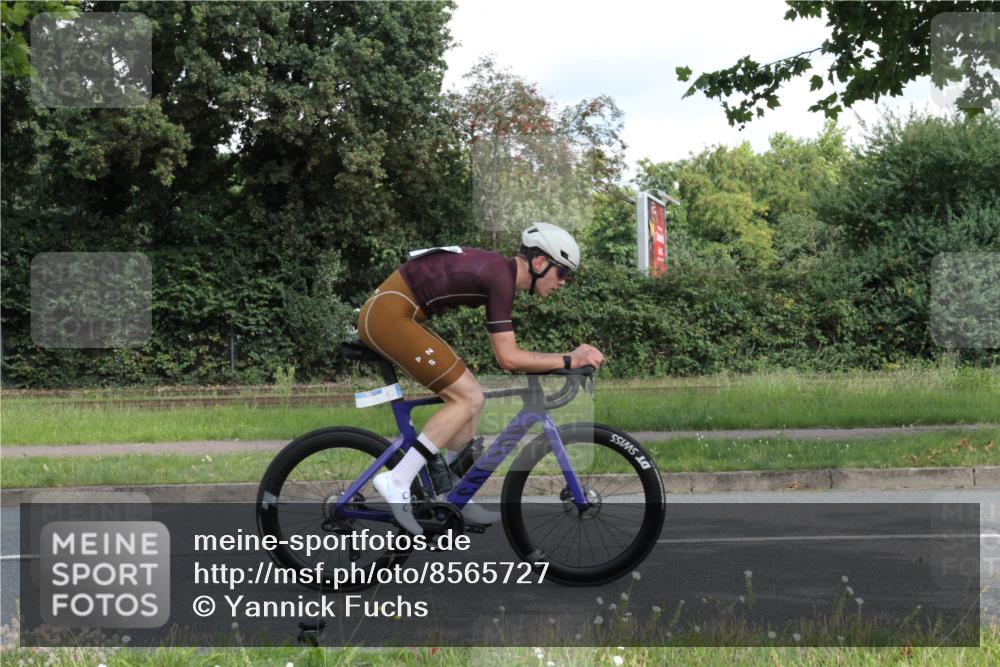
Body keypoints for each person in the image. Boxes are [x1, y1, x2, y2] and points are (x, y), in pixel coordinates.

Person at [357, 222, 605, 534]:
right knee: (468, 397)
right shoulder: (500, 277)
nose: (564, 282)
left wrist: (566, 359)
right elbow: (508, 358)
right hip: (387, 316)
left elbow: (507, 355)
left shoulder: (500, 273)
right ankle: (398, 479)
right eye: (563, 273)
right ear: (541, 263)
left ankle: (451, 491)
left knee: (472, 395)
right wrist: (571, 359)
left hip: (393, 312)